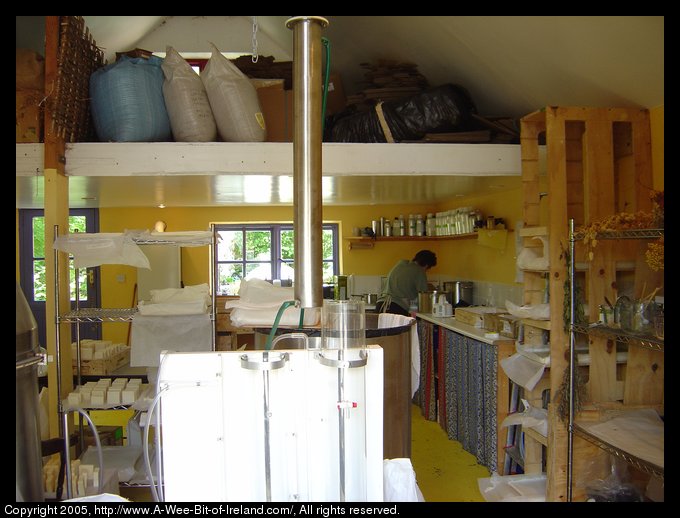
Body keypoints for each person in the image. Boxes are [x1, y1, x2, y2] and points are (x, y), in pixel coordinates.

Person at [376, 250, 437, 316]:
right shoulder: (419, 271)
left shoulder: (400, 265)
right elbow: (424, 296)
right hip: (395, 308)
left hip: (381, 305)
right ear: (426, 265)